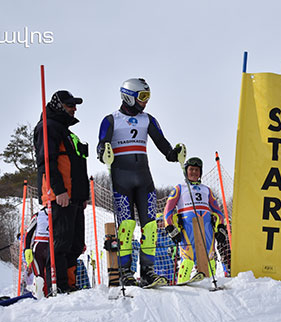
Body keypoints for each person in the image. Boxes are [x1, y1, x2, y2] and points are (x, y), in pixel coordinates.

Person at [97, 78, 182, 287]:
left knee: (151, 226)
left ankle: (147, 271)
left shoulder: (148, 119)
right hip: (121, 179)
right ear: (129, 96)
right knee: (126, 226)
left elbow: (161, 142)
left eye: (148, 97)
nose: (146, 102)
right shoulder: (111, 119)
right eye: (142, 97)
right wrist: (103, 152)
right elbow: (102, 144)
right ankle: (125, 271)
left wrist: (173, 154)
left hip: (144, 178)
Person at [33, 90, 89, 293]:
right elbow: (46, 162)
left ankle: (71, 284)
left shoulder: (67, 131)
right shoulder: (48, 128)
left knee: (76, 244)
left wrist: (83, 197)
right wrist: (59, 191)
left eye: (75, 106)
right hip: (60, 195)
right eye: (70, 105)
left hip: (75, 196)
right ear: (58, 105)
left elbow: (76, 164)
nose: (74, 109)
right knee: (62, 243)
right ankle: (58, 286)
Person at [163, 157, 228, 283]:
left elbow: (218, 211)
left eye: (197, 170)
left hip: (207, 228)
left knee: (209, 259)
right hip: (187, 228)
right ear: (186, 171)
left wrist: (221, 227)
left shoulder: (207, 189)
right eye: (191, 169)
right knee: (188, 259)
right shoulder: (179, 188)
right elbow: (168, 210)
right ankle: (182, 283)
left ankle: (210, 283)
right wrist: (170, 227)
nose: (194, 172)